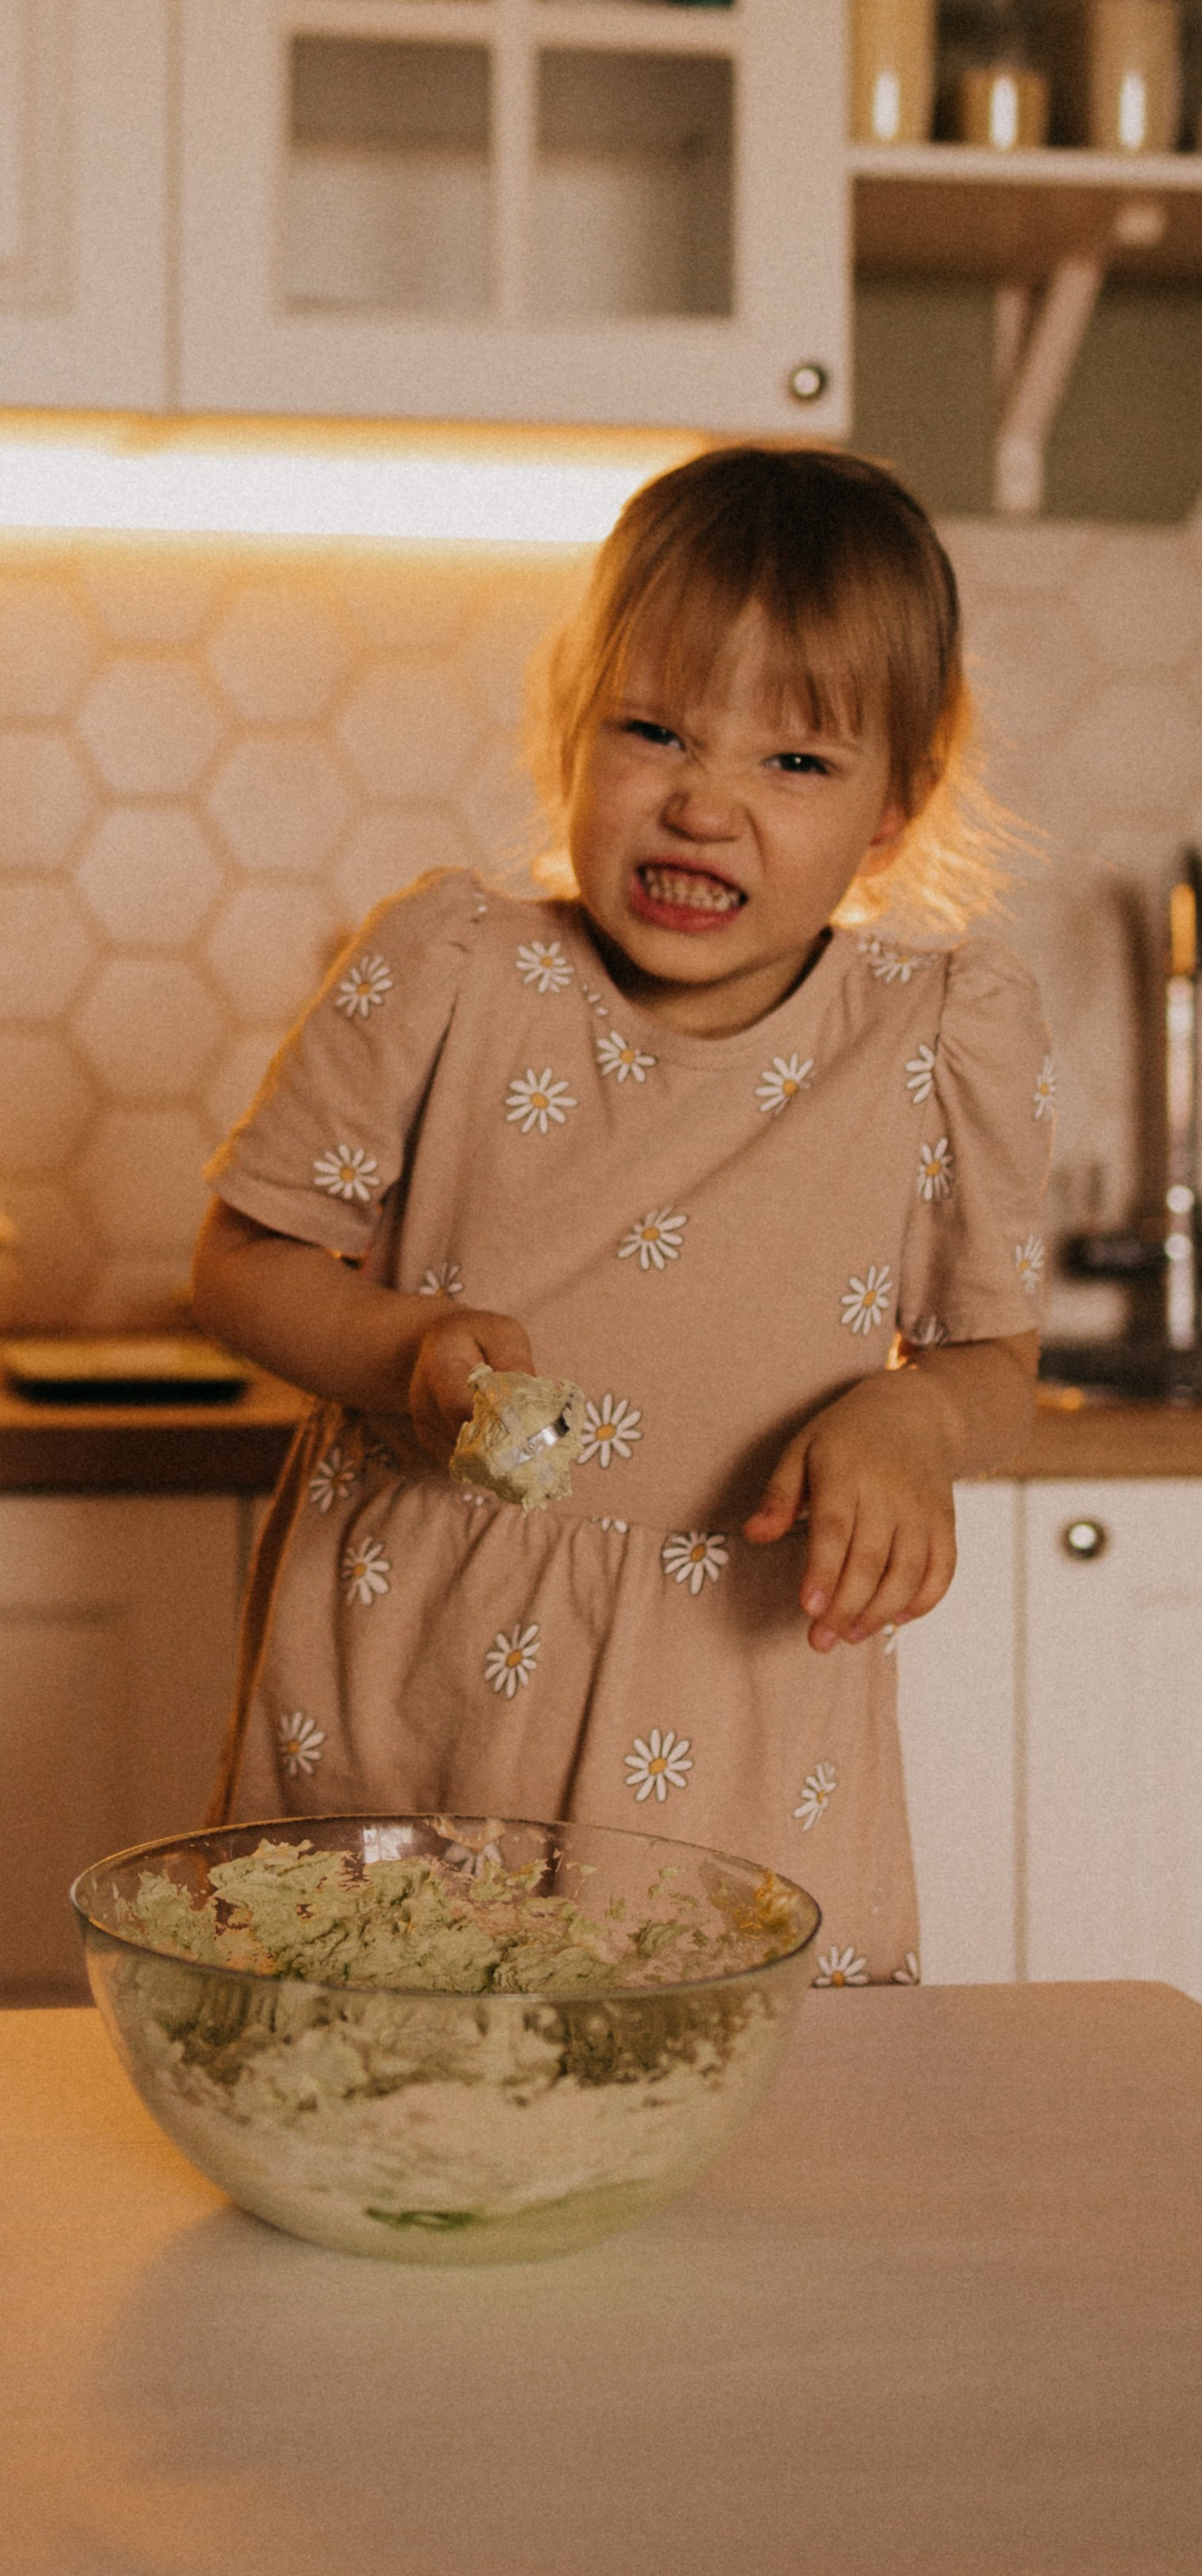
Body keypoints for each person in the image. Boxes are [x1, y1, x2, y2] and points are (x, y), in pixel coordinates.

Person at [191, 446, 1051, 1986]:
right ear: (571, 736)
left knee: (737, 2125)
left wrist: (915, 1426)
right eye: (652, 731)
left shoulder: (931, 1038)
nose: (704, 804)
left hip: (737, 1723)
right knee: (390, 2063)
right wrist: (408, 1352)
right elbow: (244, 1262)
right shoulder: (451, 970)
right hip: (425, 1693)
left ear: (895, 808)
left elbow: (996, 1360)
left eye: (795, 764)